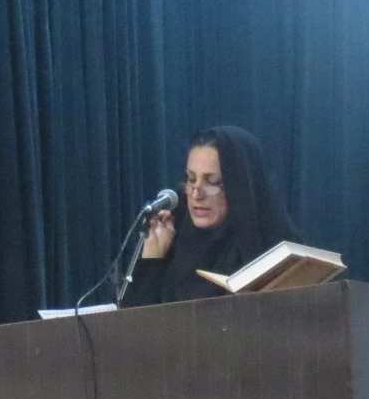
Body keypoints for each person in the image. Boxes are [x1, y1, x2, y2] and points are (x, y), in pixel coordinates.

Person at [124, 125, 300, 306]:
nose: (196, 194)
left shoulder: (276, 249)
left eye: (212, 181)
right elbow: (132, 319)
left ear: (240, 186)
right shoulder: (174, 236)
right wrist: (153, 259)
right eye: (191, 179)